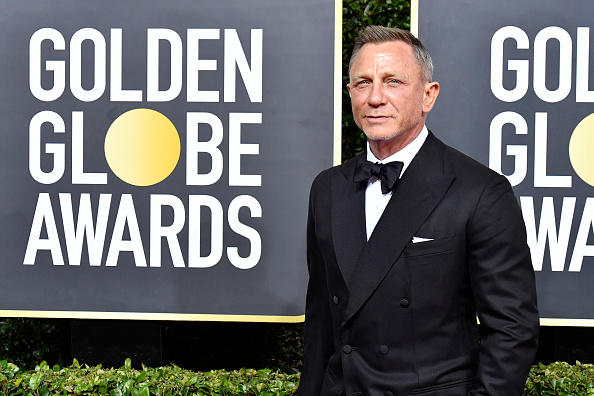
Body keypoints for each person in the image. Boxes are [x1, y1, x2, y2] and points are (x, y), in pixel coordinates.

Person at [298, 26, 539, 396]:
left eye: (393, 81)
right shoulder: (327, 188)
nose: (375, 97)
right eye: (362, 83)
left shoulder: (480, 192)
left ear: (428, 96)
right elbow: (319, 323)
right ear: (349, 94)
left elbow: (512, 330)